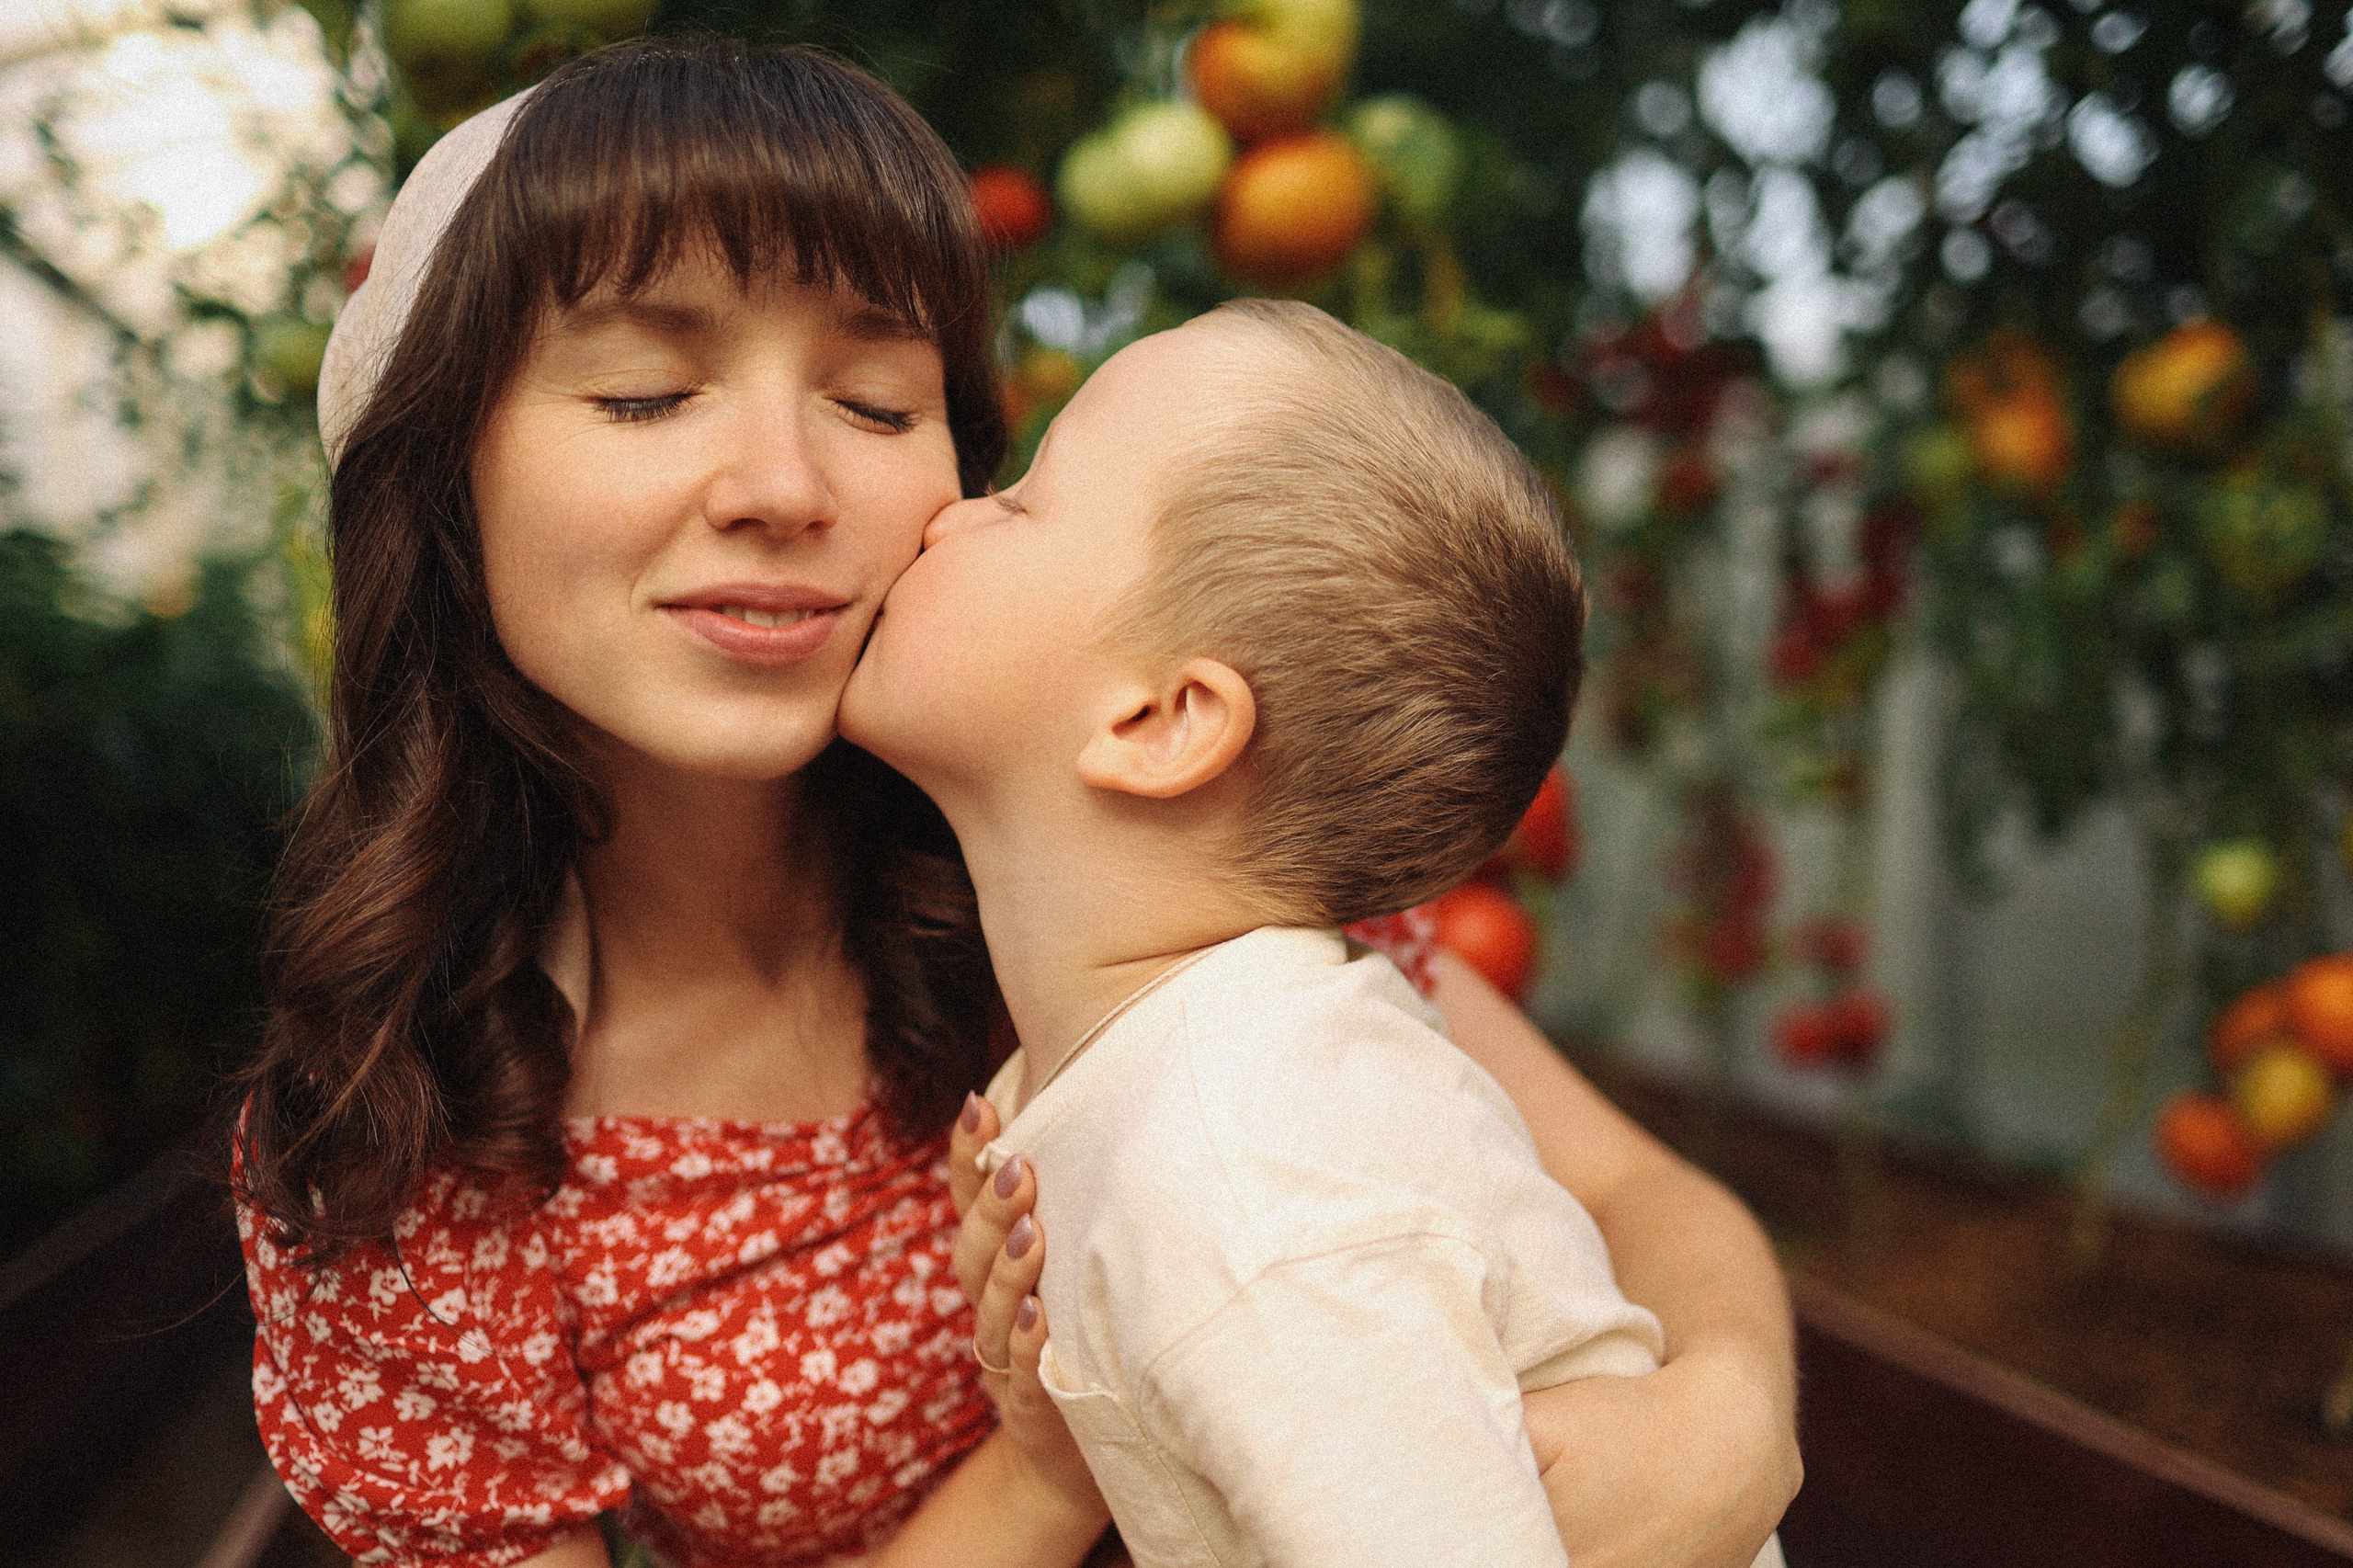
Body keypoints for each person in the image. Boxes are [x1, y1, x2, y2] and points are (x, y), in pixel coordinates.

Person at [233, 35, 1798, 1568]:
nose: (785, 484)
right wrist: (1052, 1464)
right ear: (444, 477)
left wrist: (1730, 1417)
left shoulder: (1157, 874)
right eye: (647, 394)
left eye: (876, 402)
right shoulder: (402, 1130)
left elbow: (1625, 1189)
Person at [839, 300, 1785, 1567]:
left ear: (1163, 718)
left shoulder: (1251, 1182)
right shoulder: (1203, 1090)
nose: (948, 512)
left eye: (1020, 501)